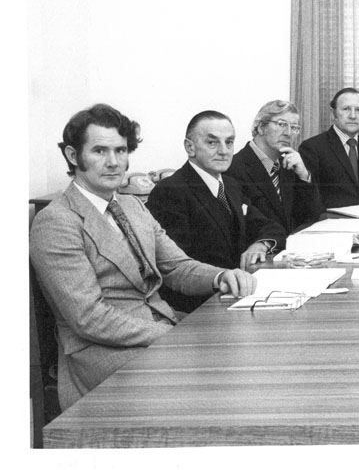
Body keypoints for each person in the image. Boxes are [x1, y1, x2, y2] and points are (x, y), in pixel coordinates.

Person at [29, 104, 257, 409]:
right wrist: (171, 334)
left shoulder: (132, 206)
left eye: (121, 151)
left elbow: (178, 267)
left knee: (245, 349)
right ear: (73, 156)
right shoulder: (56, 220)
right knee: (218, 384)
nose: (114, 163)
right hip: (103, 351)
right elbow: (88, 318)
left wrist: (220, 276)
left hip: (159, 330)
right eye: (100, 151)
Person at [146, 110, 285, 313]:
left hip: (237, 295)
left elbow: (270, 226)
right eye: (212, 143)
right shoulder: (171, 191)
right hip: (200, 307)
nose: (224, 151)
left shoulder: (230, 185)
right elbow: (177, 270)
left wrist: (261, 244)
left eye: (229, 142)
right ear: (189, 147)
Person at [227, 100, 324, 232]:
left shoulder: (289, 166)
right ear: (261, 127)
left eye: (294, 127)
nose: (288, 133)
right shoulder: (233, 168)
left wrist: (304, 176)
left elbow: (312, 216)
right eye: (281, 124)